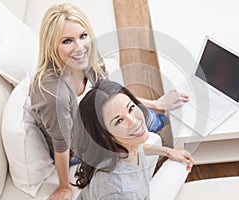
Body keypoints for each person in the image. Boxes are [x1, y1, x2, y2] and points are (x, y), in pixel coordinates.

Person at [30, 3, 189, 200]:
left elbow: (111, 97)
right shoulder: (54, 95)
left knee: (153, 120)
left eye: (83, 36)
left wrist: (157, 104)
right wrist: (64, 186)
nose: (80, 47)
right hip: (73, 145)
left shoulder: (88, 59)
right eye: (67, 41)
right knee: (147, 129)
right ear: (51, 45)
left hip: (98, 122)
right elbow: (61, 145)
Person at [73, 80, 194, 199]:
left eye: (131, 108)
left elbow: (139, 148)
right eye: (119, 121)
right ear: (105, 134)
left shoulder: (121, 145)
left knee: (157, 141)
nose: (134, 122)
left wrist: (168, 152)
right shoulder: (119, 192)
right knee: (181, 165)